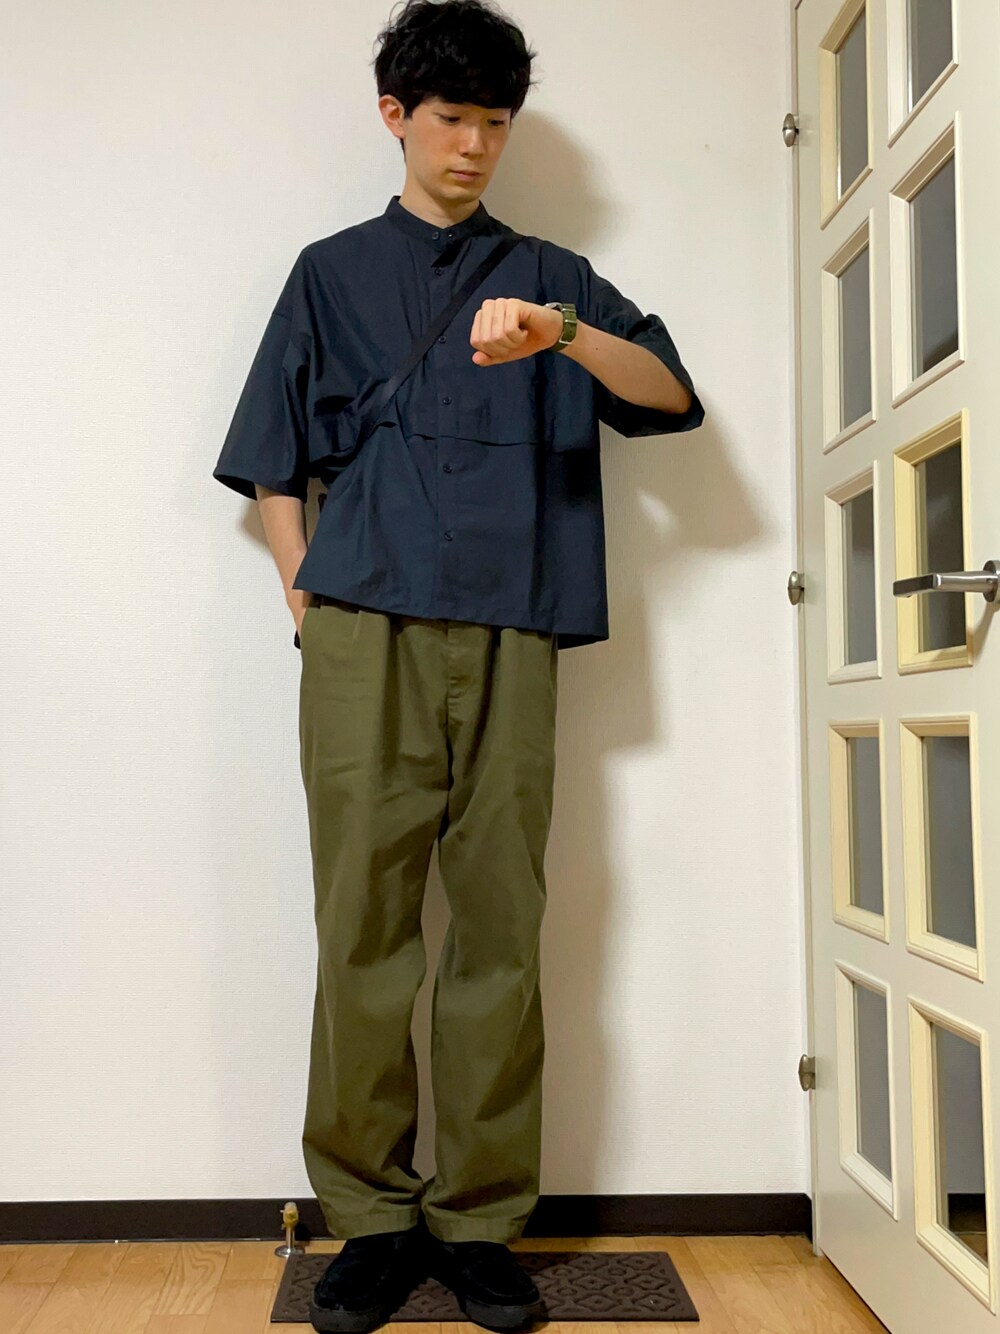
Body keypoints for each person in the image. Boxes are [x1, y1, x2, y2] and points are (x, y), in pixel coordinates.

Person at [213, 3, 705, 1329]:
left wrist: (561, 334)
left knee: (499, 925)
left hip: (513, 625)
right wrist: (302, 594)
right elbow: (270, 460)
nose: (476, 144)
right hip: (362, 626)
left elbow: (668, 394)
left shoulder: (551, 277)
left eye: (496, 121)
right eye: (451, 119)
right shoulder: (329, 274)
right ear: (396, 117)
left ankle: (482, 1218)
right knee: (362, 925)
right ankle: (370, 1217)